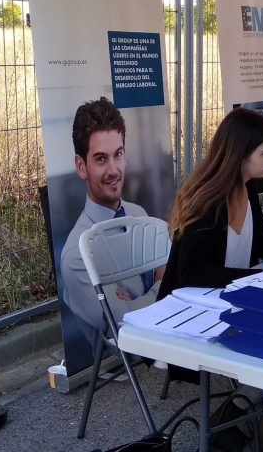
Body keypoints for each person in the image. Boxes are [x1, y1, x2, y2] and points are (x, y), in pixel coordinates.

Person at [160, 108, 263, 452]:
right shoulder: (206, 201)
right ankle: (244, 422)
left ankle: (240, 414)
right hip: (193, 315)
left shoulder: (246, 187)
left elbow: (261, 242)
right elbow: (191, 274)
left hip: (228, 302)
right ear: (240, 156)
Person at [60, 97, 162, 348]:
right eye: (101, 159)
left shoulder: (138, 214)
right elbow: (126, 324)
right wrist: (164, 283)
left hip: (171, 338)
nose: (114, 170)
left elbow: (132, 311)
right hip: (132, 358)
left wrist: (137, 301)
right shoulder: (77, 254)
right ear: (81, 166)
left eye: (118, 155)